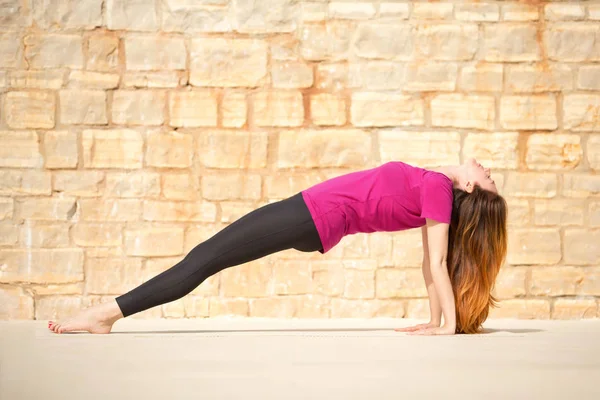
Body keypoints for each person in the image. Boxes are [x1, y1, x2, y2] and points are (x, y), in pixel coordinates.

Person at [48, 158, 507, 336]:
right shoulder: (438, 188)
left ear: (470, 188)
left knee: (206, 258)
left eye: (489, 178)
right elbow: (434, 264)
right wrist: (436, 319)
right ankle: (106, 315)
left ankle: (103, 315)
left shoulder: (440, 193)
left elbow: (436, 261)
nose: (488, 168)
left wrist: (445, 326)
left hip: (313, 216)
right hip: (309, 211)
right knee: (208, 256)